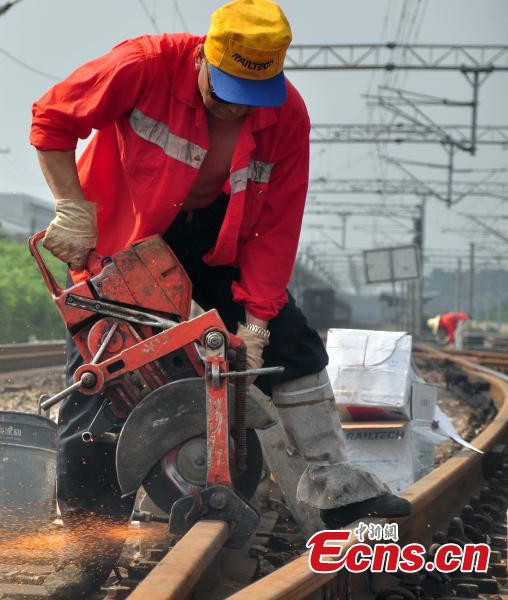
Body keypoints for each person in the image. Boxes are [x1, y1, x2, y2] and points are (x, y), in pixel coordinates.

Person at [30, 0, 410, 593]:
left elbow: (279, 222)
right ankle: (86, 557)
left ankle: (339, 494)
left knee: (296, 350)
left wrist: (258, 320)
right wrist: (71, 207)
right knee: (98, 386)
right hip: (125, 248)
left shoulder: (287, 117)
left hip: (216, 251)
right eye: (225, 89)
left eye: (250, 96)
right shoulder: (142, 66)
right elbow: (52, 119)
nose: (234, 106)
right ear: (203, 55)